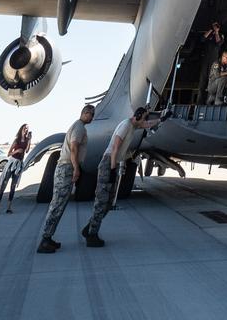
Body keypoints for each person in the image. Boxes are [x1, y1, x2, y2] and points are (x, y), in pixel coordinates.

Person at [81, 105, 163, 246]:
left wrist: (162, 119)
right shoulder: (126, 125)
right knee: (102, 200)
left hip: (114, 163)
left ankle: (89, 227)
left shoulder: (133, 125)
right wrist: (113, 169)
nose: (144, 122)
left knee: (109, 202)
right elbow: (115, 147)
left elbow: (148, 124)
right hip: (108, 163)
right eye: (143, 118)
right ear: (137, 117)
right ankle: (91, 236)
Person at [36, 103, 95, 253]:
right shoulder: (79, 127)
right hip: (67, 168)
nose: (92, 118)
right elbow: (74, 147)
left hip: (66, 167)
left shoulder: (78, 126)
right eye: (92, 114)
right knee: (57, 205)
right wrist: (76, 168)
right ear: (85, 113)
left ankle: (48, 238)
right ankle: (45, 239)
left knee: (59, 205)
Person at [0, 122, 32, 214]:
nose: (26, 130)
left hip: (19, 165)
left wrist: (30, 140)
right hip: (12, 163)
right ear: (21, 129)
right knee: (4, 185)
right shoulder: (16, 140)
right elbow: (9, 153)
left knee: (13, 186)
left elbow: (26, 151)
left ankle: (9, 208)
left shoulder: (27, 140)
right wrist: (17, 151)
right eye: (25, 128)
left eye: (27, 128)